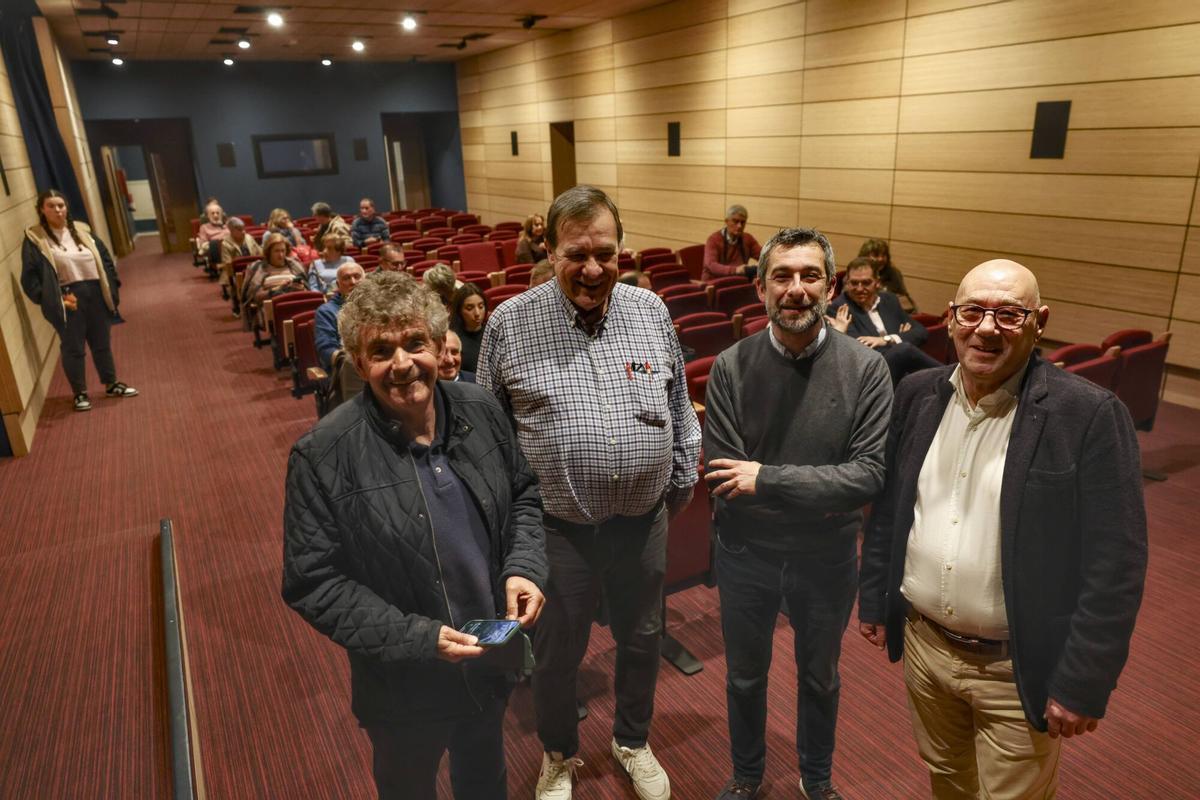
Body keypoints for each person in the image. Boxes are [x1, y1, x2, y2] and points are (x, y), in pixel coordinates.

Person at [858, 259, 1148, 799]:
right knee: (947, 779)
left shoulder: (1087, 414)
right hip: (925, 648)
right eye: (972, 311)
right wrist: (875, 598)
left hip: (1015, 667)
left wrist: (1084, 679)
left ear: (1039, 321)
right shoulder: (918, 394)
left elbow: (1117, 563)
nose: (986, 328)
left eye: (1009, 315)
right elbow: (894, 511)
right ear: (949, 318)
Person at [282, 271, 548, 800]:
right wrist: (418, 639)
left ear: (438, 344)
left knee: (485, 782)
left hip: (488, 660)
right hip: (403, 686)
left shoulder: (481, 408)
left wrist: (524, 566)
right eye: (381, 350)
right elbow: (313, 582)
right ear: (359, 363)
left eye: (414, 343)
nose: (402, 363)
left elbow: (523, 495)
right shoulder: (321, 455)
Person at [478, 185, 701, 800]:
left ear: (622, 249)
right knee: (555, 656)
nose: (594, 268)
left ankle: (632, 741)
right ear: (549, 249)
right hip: (557, 529)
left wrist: (677, 482)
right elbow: (490, 441)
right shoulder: (510, 324)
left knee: (642, 638)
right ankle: (558, 755)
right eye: (577, 254)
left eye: (606, 252)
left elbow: (681, 406)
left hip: (642, 521)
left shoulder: (650, 312)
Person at [702, 228, 891, 800]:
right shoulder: (730, 367)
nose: (796, 289)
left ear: (830, 287)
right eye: (782, 276)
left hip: (826, 556)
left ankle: (817, 779)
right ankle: (748, 776)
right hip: (745, 554)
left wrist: (768, 478)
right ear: (761, 287)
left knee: (820, 677)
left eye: (810, 276)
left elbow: (867, 477)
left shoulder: (867, 371)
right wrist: (814, 487)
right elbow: (725, 478)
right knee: (742, 677)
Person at [21, 189, 139, 412]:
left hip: (95, 293)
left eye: (61, 205)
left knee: (102, 343)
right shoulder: (35, 238)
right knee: (73, 348)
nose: (58, 210)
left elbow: (104, 258)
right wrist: (49, 300)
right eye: (51, 206)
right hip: (68, 298)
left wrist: (113, 284)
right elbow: (29, 277)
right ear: (41, 210)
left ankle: (111, 383)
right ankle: (80, 394)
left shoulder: (83, 230)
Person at [827, 257, 941, 385]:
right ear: (846, 282)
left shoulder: (889, 300)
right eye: (854, 283)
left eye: (866, 283)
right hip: (870, 372)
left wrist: (886, 339)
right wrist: (900, 338)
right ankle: (949, 376)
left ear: (877, 282)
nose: (859, 288)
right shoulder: (840, 308)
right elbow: (861, 349)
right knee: (903, 350)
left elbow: (921, 332)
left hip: (899, 372)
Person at [241, 233, 307, 329]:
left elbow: (307, 290)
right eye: (276, 251)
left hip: (295, 303)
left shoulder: (294, 265)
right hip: (272, 307)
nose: (280, 255)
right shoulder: (259, 268)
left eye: (283, 251)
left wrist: (301, 288)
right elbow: (255, 297)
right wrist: (280, 289)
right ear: (269, 252)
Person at [314, 261, 366, 371]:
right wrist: (355, 363)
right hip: (348, 368)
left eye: (357, 276)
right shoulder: (326, 311)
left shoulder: (376, 304)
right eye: (346, 278)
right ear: (338, 285)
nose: (353, 282)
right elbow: (326, 349)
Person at [703, 204, 761, 281]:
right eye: (735, 221)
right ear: (726, 221)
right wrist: (736, 270)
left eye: (743, 222)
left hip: (738, 282)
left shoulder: (748, 239)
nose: (739, 226)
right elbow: (712, 266)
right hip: (714, 283)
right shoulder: (713, 240)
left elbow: (763, 256)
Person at [857, 239, 916, 313]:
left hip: (892, 313)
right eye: (876, 255)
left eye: (884, 255)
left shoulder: (893, 273)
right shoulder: (855, 273)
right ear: (864, 257)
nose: (881, 259)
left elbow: (904, 297)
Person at [217, 216, 263, 312]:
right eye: (239, 230)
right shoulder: (226, 243)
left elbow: (260, 253)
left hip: (254, 269)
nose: (243, 232)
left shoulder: (249, 238)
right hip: (236, 273)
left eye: (243, 229)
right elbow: (227, 263)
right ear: (231, 230)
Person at [450, 282, 487, 374]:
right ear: (460, 311)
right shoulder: (453, 339)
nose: (477, 313)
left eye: (481, 306)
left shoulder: (492, 332)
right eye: (469, 308)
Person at [194, 199, 228, 268]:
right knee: (214, 243)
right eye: (212, 213)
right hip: (215, 247)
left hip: (229, 246)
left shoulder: (227, 226)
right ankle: (219, 265)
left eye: (218, 213)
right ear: (208, 216)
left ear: (221, 215)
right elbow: (203, 244)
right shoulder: (204, 227)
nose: (215, 216)